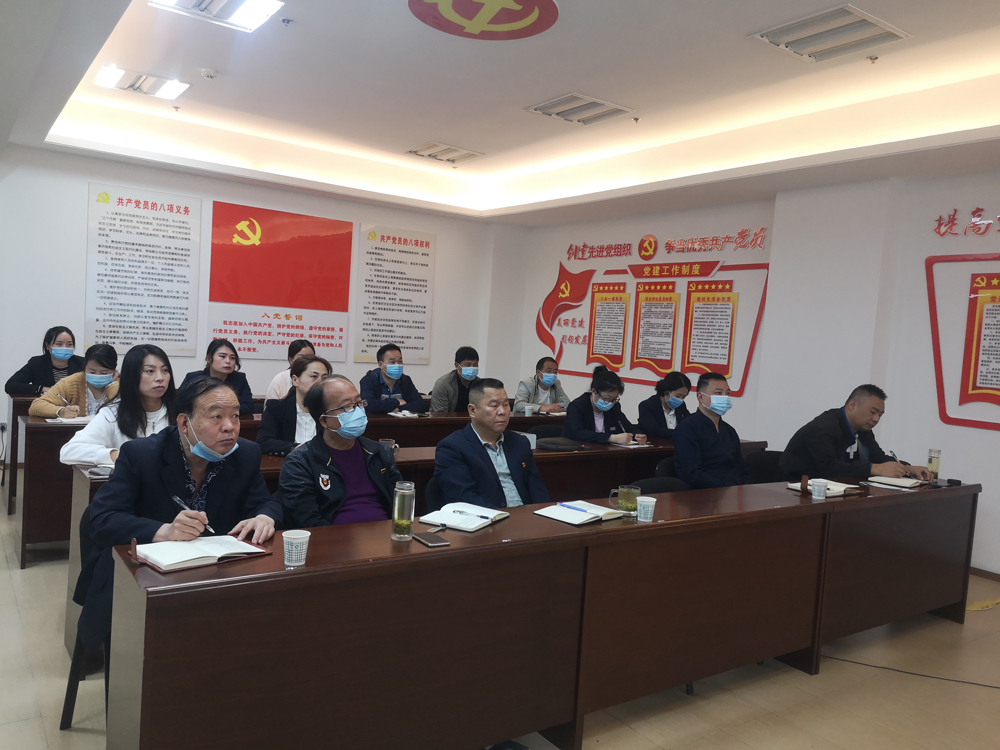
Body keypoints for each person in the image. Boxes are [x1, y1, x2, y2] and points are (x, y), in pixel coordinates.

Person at [74, 377, 280, 651]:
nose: (230, 427)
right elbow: (101, 518)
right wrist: (164, 531)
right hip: (143, 581)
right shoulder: (141, 454)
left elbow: (265, 502)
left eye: (235, 416)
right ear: (184, 424)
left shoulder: (245, 454)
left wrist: (264, 516)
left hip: (213, 579)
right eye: (217, 417)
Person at [278, 375, 402, 527]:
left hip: (386, 534)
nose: (357, 411)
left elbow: (399, 503)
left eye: (359, 403)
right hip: (333, 538)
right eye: (346, 407)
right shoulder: (300, 462)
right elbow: (306, 521)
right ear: (324, 420)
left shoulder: (379, 452)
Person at [435, 378, 550, 510]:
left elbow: (538, 491)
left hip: (526, 517)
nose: (502, 412)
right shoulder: (452, 448)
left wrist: (545, 515)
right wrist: (503, 516)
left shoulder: (520, 442)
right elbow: (465, 499)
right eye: (494, 406)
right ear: (472, 410)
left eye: (506, 405)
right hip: (486, 518)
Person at [779, 384, 933, 481]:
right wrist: (874, 469)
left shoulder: (863, 429)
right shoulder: (823, 428)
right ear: (852, 405)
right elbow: (829, 468)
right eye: (873, 412)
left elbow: (878, 458)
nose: (876, 419)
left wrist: (908, 469)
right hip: (793, 490)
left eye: (880, 415)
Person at [60, 344, 176, 466]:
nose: (160, 378)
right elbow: (69, 451)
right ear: (132, 374)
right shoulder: (113, 414)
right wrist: (119, 456)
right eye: (150, 371)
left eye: (165, 370)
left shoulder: (181, 411)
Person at [672, 372, 748, 489]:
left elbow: (740, 469)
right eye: (718, 393)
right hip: (703, 494)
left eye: (727, 393)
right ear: (701, 397)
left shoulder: (729, 431)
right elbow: (693, 473)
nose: (724, 398)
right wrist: (726, 489)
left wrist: (743, 489)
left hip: (733, 492)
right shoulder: (687, 428)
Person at [256, 354, 331, 457]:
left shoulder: (330, 411)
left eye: (324, 378)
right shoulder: (277, 408)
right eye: (314, 376)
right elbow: (263, 442)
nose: (320, 382)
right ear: (295, 380)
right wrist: (295, 448)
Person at [28, 344, 119, 418]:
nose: (97, 375)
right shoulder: (72, 382)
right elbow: (36, 406)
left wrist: (114, 386)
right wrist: (61, 411)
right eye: (92, 372)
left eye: (104, 373)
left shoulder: (122, 385)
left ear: (114, 371)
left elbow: (122, 412)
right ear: (85, 367)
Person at [562, 366, 646, 445]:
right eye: (607, 398)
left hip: (604, 450)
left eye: (614, 399)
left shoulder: (614, 406)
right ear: (594, 392)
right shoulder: (577, 406)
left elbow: (627, 425)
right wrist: (611, 438)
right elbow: (578, 433)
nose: (610, 403)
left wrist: (638, 435)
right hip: (577, 449)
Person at [5, 326, 86, 395]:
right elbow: (10, 385)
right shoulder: (37, 363)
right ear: (47, 346)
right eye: (59, 344)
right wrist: (42, 389)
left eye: (69, 344)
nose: (64, 347)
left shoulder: (82, 363)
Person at [181, 338, 254, 415]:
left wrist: (218, 410)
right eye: (222, 356)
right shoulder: (193, 378)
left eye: (232, 358)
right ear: (209, 359)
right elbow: (179, 404)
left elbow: (248, 406)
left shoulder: (240, 379)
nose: (228, 361)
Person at [359, 343, 427, 414]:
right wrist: (397, 402)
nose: (397, 365)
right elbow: (368, 405)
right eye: (392, 362)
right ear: (381, 364)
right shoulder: (369, 380)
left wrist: (398, 409)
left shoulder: (405, 380)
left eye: (400, 361)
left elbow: (421, 405)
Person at [638, 371, 692, 439]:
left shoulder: (681, 405)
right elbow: (654, 431)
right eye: (678, 396)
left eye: (683, 397)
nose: (680, 400)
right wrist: (681, 433)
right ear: (666, 392)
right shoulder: (647, 406)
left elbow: (689, 424)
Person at [430, 346, 480, 413]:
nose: (472, 368)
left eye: (475, 365)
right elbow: (440, 414)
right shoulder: (443, 384)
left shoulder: (480, 385)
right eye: (468, 365)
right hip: (448, 419)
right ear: (457, 366)